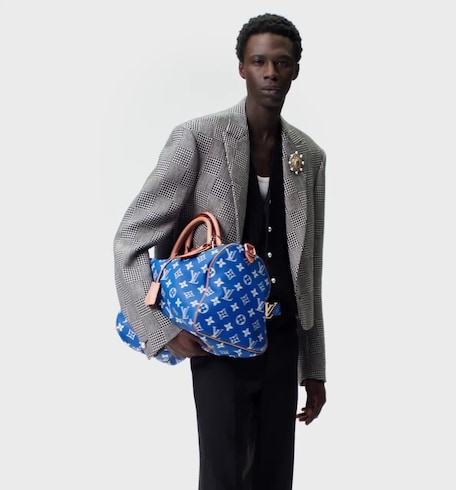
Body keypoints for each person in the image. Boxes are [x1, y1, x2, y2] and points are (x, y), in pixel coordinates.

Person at [114, 12, 327, 490]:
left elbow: (308, 270)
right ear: (241, 67)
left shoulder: (309, 156)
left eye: (282, 62)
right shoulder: (199, 138)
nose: (270, 72)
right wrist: (161, 329)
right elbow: (130, 236)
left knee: (274, 479)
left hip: (282, 342)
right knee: (223, 478)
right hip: (217, 341)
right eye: (259, 61)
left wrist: (313, 368)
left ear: (295, 70)